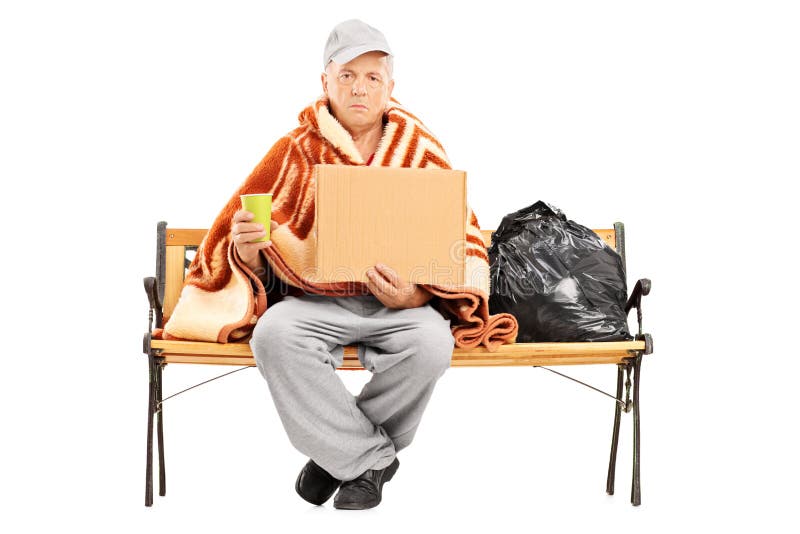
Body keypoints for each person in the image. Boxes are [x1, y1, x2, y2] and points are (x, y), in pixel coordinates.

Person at [232, 19, 455, 510]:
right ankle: (367, 459)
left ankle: (335, 457)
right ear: (325, 82)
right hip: (313, 300)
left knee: (434, 342)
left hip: (396, 304)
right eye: (347, 75)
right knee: (273, 335)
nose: (360, 87)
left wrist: (414, 295)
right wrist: (247, 249)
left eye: (372, 77)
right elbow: (249, 245)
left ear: (390, 87)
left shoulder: (421, 150)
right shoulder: (293, 151)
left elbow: (452, 242)